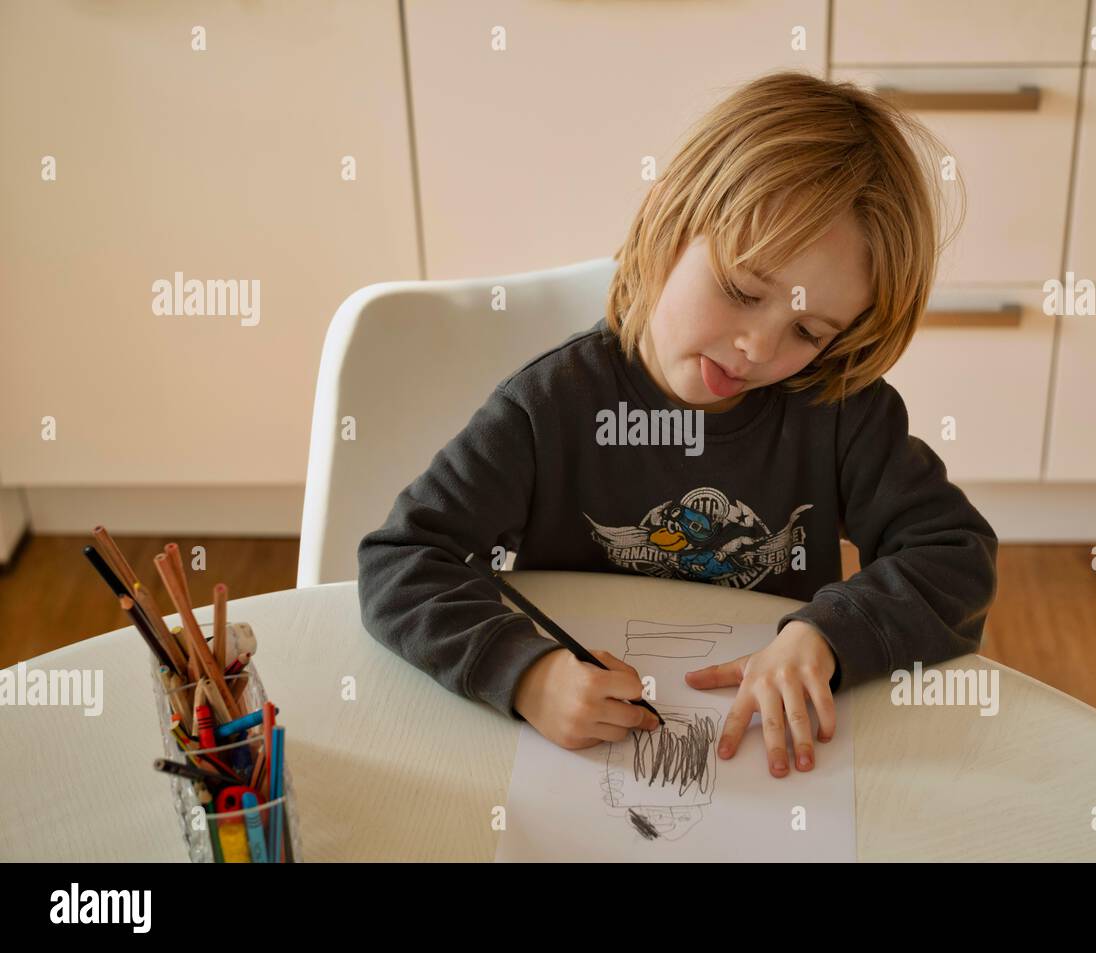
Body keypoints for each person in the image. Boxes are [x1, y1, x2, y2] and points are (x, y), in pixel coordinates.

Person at [358, 69, 996, 779]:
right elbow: (401, 560)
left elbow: (957, 556)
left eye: (808, 330)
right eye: (741, 290)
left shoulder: (839, 410)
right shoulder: (547, 409)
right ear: (667, 219)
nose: (759, 347)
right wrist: (528, 674)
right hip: (573, 761)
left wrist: (827, 635)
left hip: (771, 760)